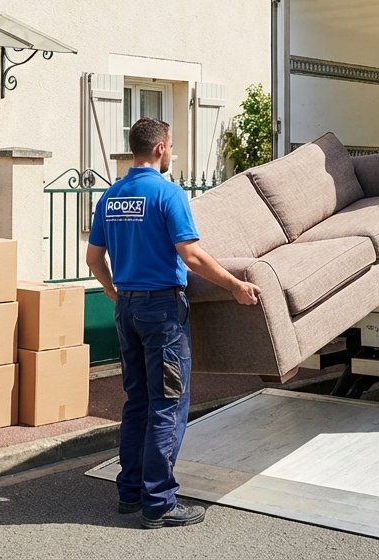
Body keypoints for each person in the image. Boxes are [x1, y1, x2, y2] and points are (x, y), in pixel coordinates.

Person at [85, 117, 261, 529]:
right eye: (172, 146)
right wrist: (235, 285)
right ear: (162, 147)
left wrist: (115, 294)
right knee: (167, 404)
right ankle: (160, 502)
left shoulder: (110, 197)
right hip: (162, 312)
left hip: (127, 309)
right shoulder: (168, 194)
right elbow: (192, 256)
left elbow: (94, 260)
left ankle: (130, 492)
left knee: (138, 402)